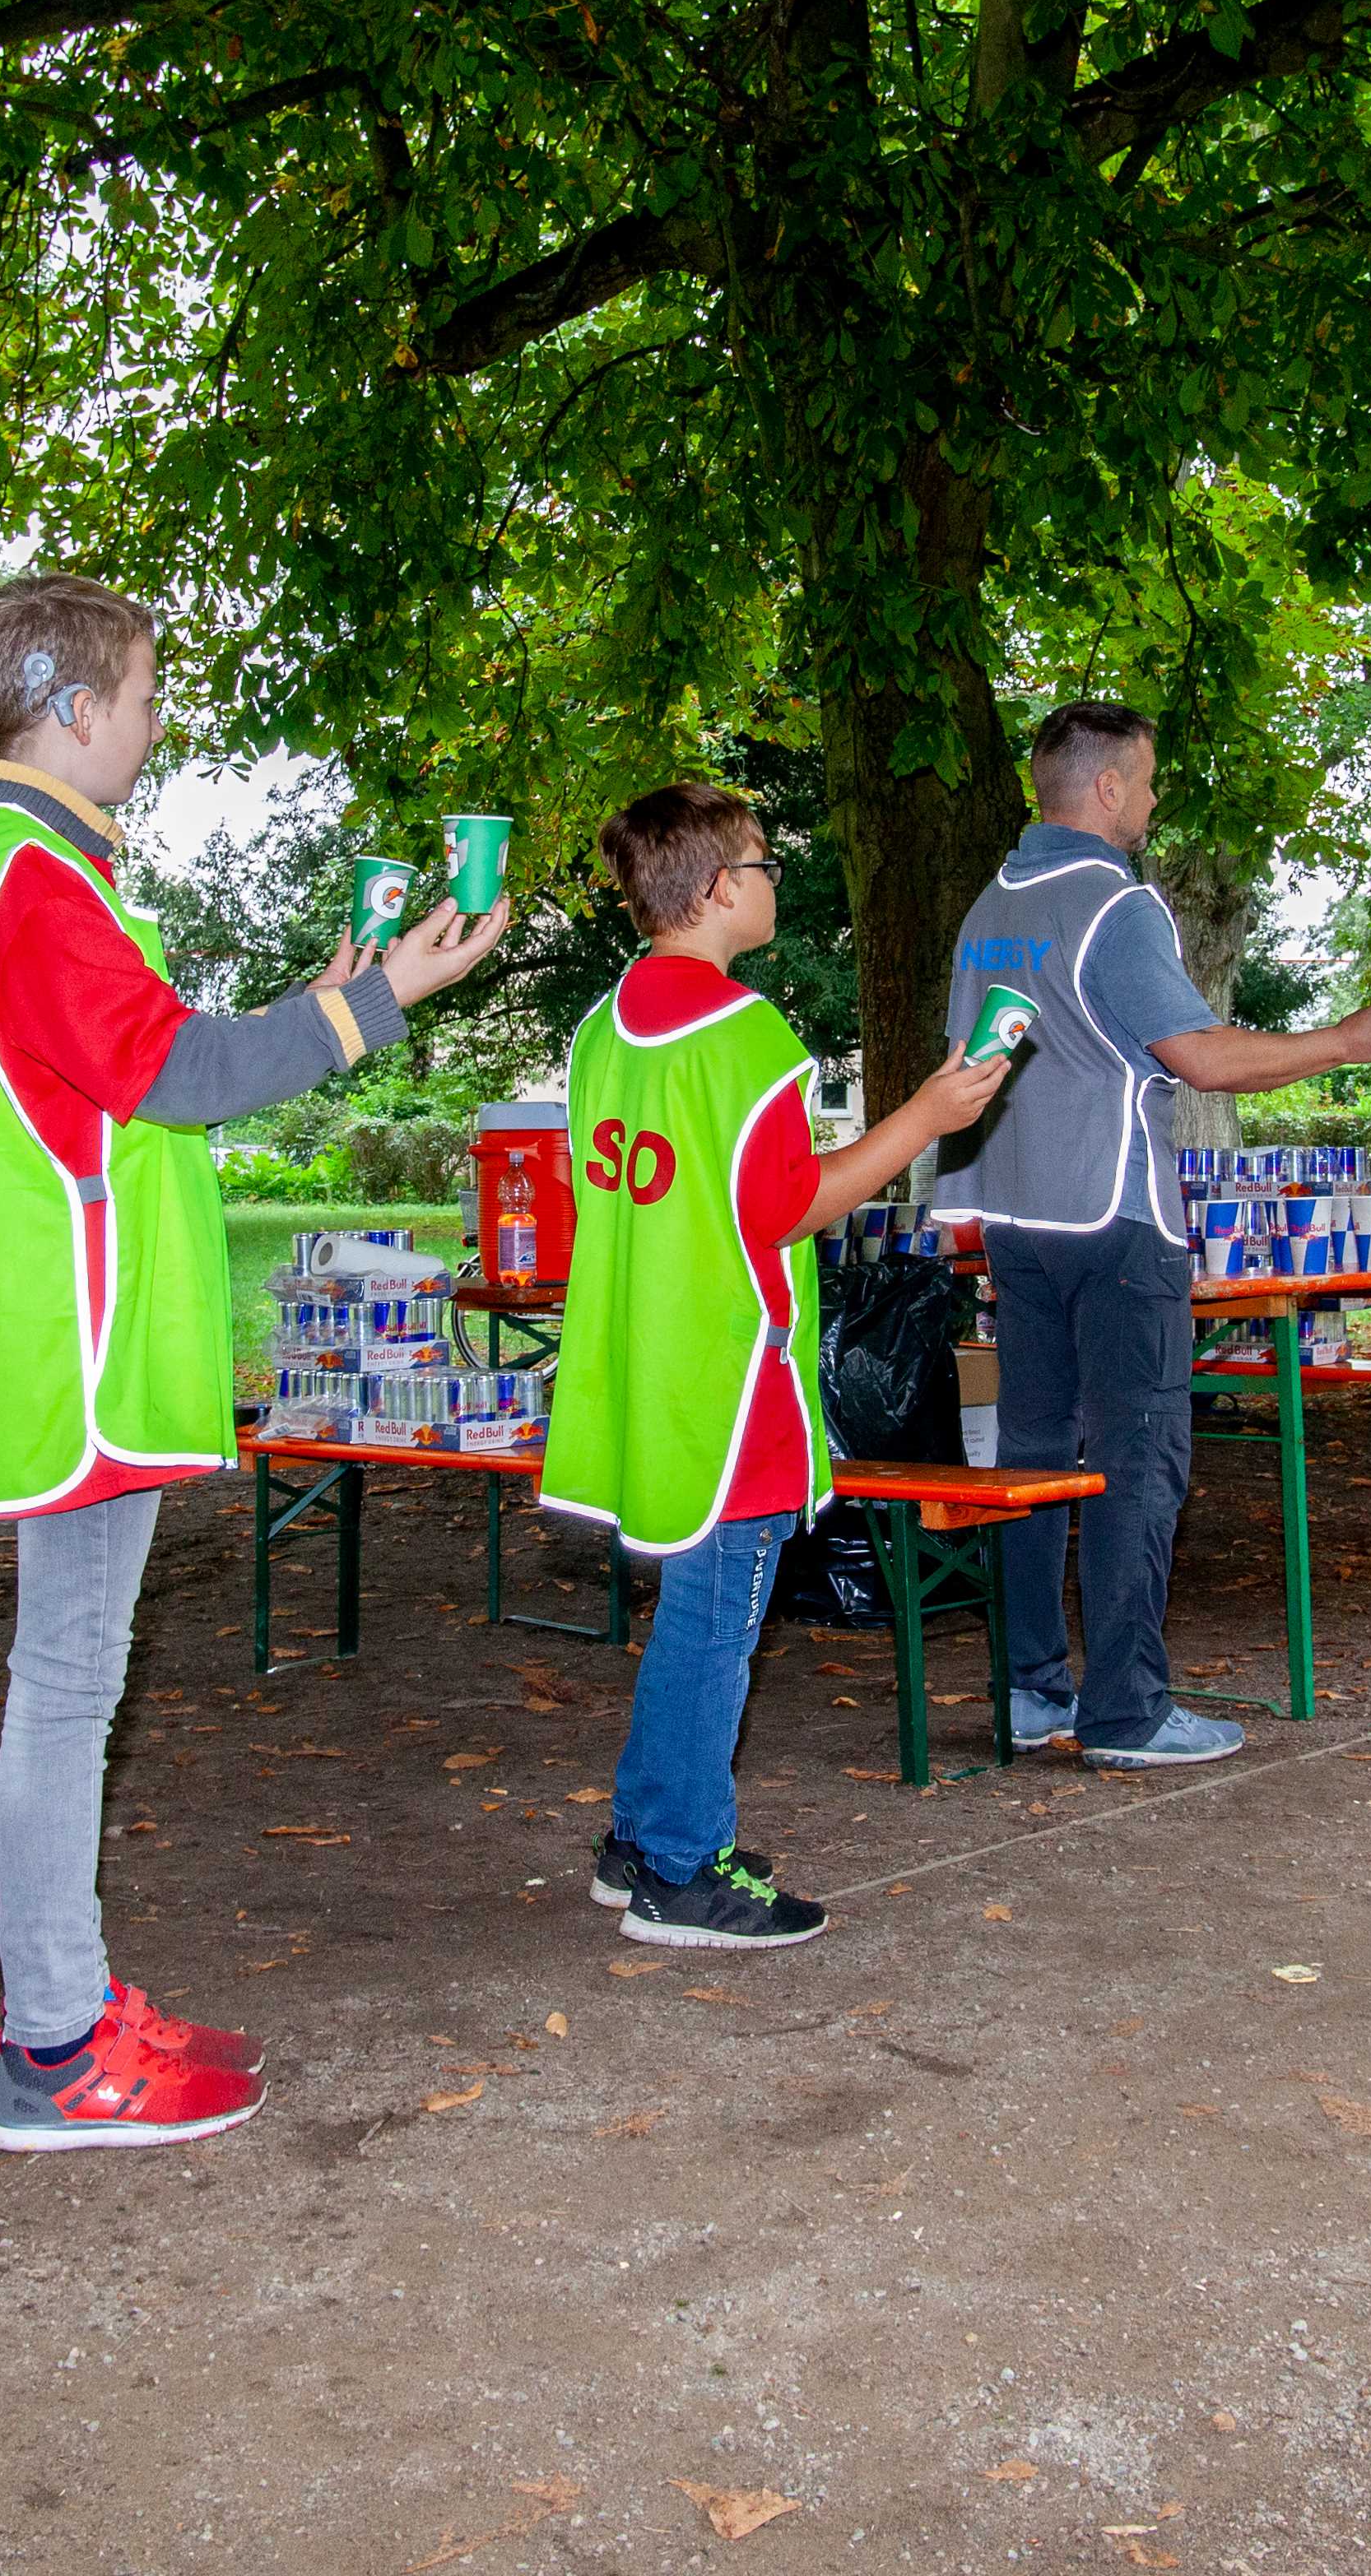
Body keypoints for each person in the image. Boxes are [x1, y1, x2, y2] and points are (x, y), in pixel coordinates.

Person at [0, 576, 509, 2147]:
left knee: (72, 1682)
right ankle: (50, 2048)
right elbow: (180, 1073)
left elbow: (144, 1061)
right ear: (75, 705)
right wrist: (381, 998)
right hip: (78, 1353)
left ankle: (65, 2005)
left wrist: (330, 987)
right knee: (63, 1690)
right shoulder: (31, 872)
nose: (159, 719)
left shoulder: (46, 871)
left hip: (84, 1344)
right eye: (148, 691)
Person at [554, 784, 1009, 1943]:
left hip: (646, 1363)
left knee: (690, 1615)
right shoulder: (745, 1035)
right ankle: (680, 1870)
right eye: (759, 864)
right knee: (717, 1624)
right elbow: (794, 1208)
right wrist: (927, 1113)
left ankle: (641, 1837)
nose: (772, 880)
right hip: (734, 1375)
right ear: (714, 889)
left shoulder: (604, 1029)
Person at [936, 701, 1371, 1767]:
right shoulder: (1113, 903)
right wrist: (1345, 1040)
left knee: (1033, 1457)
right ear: (1107, 788)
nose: (1153, 800)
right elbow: (1199, 1056)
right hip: (1116, 1218)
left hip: (1016, 1219)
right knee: (1138, 1458)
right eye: (1148, 781)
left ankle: (1033, 1690)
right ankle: (1126, 1712)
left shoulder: (991, 905)